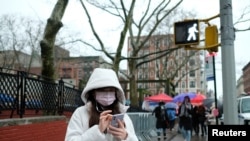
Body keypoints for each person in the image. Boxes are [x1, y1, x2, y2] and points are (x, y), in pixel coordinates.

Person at [65, 68, 138, 141]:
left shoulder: (123, 115)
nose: (107, 94)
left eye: (111, 90)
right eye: (102, 90)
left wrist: (126, 137)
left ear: (116, 93)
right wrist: (97, 131)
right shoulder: (80, 113)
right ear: (93, 92)